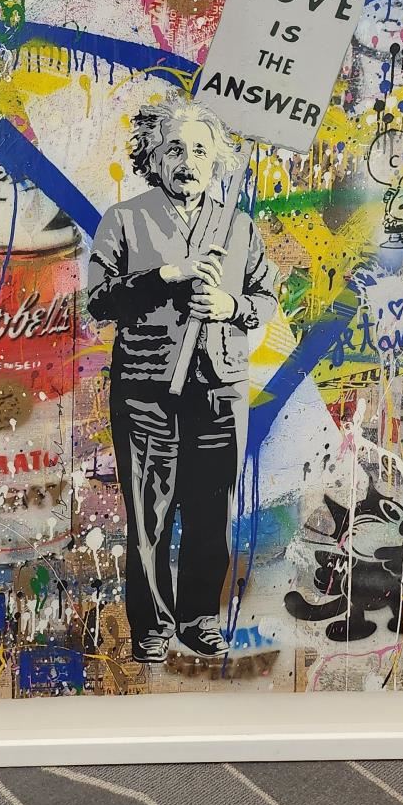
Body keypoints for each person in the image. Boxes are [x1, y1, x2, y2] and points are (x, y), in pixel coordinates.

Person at [87, 93, 278, 663]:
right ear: (154, 156)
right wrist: (168, 274)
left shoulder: (238, 226)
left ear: (216, 159)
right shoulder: (125, 220)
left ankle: (199, 620)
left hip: (220, 389)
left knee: (211, 513)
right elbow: (98, 300)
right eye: (174, 149)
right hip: (148, 390)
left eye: (199, 150)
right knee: (149, 514)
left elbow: (266, 298)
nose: (187, 161)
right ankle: (151, 627)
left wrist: (230, 306)